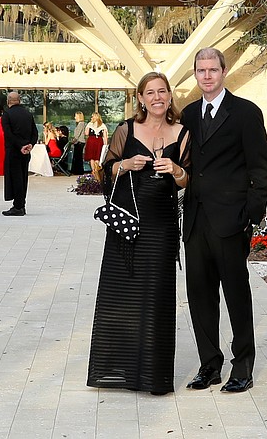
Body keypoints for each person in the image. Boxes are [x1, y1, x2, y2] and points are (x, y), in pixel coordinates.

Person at [87, 72, 190, 396]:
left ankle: (154, 376)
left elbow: (188, 179)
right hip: (127, 226)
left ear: (170, 96)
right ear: (141, 98)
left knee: (157, 297)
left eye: (162, 91)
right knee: (121, 297)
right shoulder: (125, 130)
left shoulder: (183, 132)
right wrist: (126, 164)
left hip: (161, 227)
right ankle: (118, 370)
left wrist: (175, 170)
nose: (157, 97)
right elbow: (106, 171)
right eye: (150, 92)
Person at [180, 47, 267, 394]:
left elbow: (261, 170)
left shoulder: (246, 113)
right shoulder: (188, 114)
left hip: (231, 221)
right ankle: (209, 366)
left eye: (212, 70)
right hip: (195, 221)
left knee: (236, 294)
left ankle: (242, 368)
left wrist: (250, 215)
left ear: (223, 71)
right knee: (200, 295)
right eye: (201, 70)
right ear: (195, 73)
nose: (207, 76)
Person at [1, 91, 37, 217]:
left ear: (8, 101)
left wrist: (20, 146)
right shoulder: (27, 113)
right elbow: (35, 132)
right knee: (23, 178)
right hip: (26, 151)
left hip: (14, 150)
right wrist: (30, 145)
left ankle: (17, 206)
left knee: (15, 178)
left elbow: (8, 134)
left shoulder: (7, 115)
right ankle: (21, 204)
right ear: (19, 100)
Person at [84, 112, 108, 181]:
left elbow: (86, 133)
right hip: (99, 141)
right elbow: (105, 136)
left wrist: (88, 125)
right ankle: (96, 171)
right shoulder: (103, 125)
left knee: (92, 157)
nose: (91, 118)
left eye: (92, 116)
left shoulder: (90, 124)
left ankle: (93, 171)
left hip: (91, 141)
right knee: (97, 157)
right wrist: (105, 145)